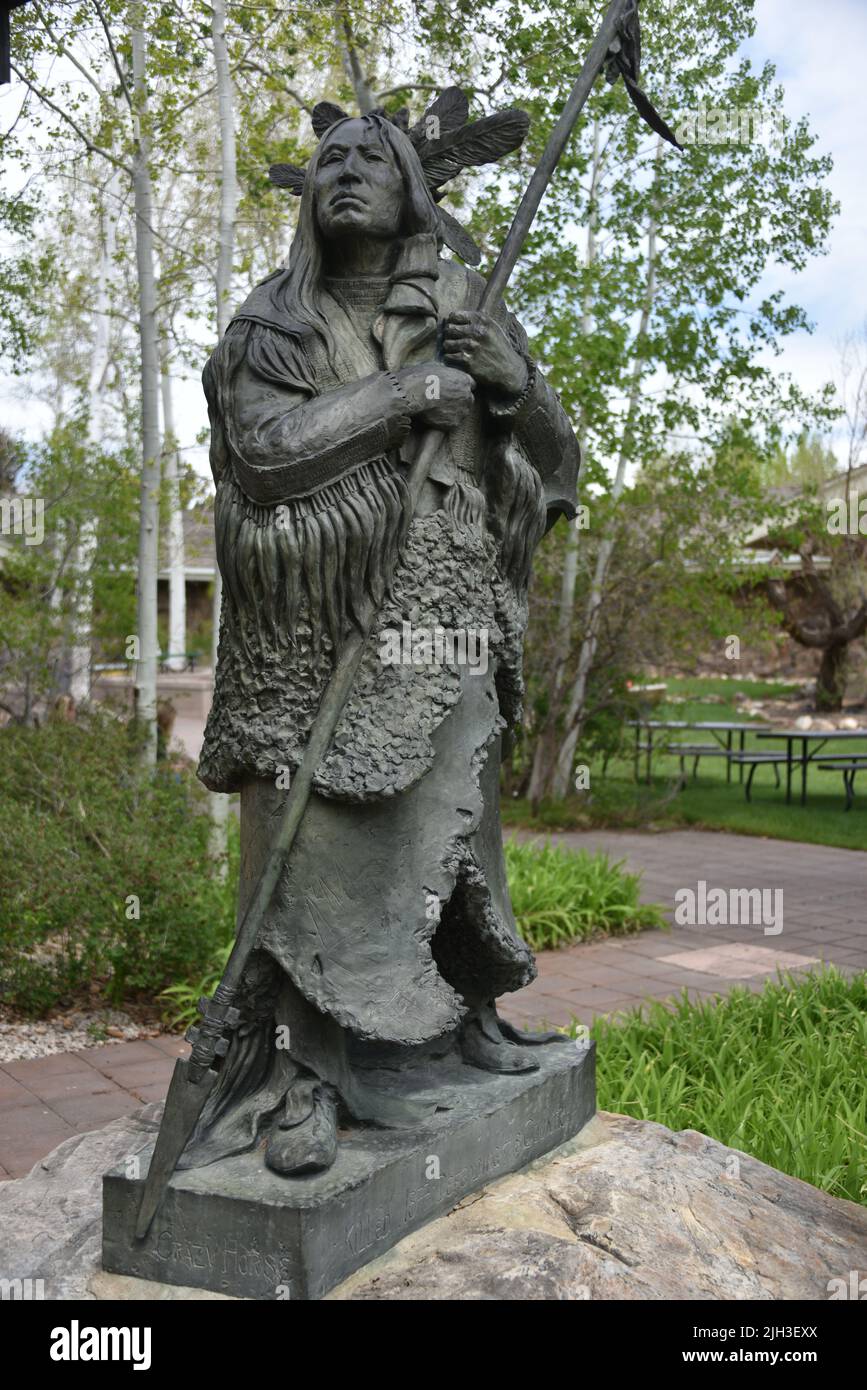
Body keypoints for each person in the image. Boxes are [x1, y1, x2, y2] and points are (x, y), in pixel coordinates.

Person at [183, 105, 580, 1177]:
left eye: (374, 158)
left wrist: (515, 384)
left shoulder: (465, 305)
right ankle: (312, 1072)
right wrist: (409, 392)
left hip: (445, 619)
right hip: (315, 631)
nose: (347, 173)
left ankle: (468, 1020)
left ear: (415, 189)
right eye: (329, 160)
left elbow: (562, 467)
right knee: (309, 830)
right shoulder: (273, 323)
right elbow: (265, 450)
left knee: (452, 826)